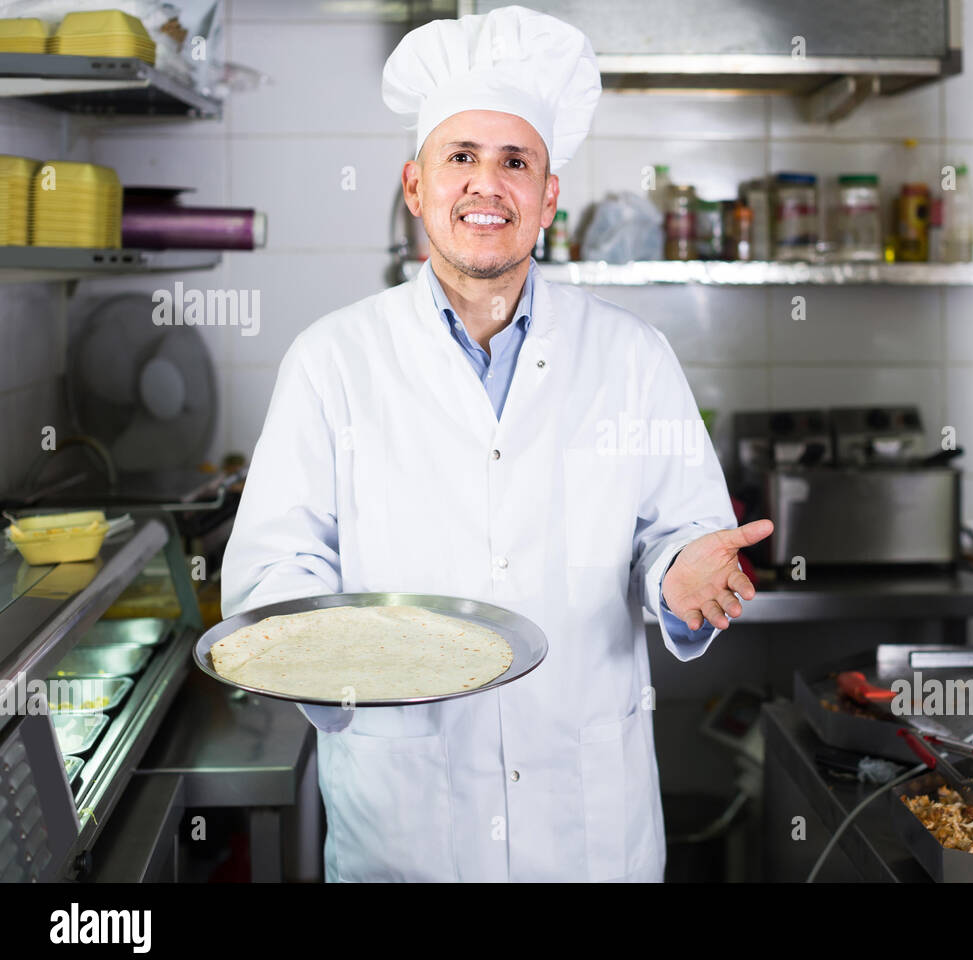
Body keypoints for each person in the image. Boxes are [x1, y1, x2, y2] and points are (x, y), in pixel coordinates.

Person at [221, 4, 772, 882]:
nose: (488, 185)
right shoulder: (331, 360)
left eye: (516, 161)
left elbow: (679, 539)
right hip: (403, 825)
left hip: (588, 834)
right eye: (461, 158)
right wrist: (336, 656)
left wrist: (680, 578)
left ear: (549, 195)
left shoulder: (634, 358)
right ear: (416, 185)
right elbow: (274, 571)